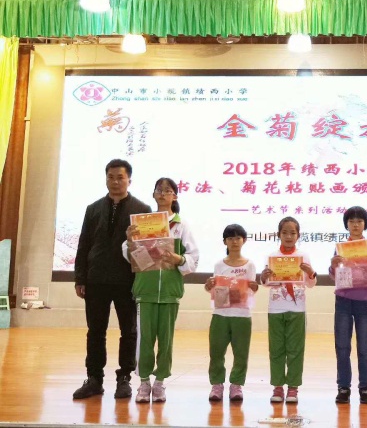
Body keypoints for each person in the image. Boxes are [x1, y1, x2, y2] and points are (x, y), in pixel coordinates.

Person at [73, 159, 152, 399]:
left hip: (127, 280)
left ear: (129, 180)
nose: (115, 182)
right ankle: (94, 379)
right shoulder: (93, 208)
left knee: (129, 331)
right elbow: (84, 244)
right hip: (96, 278)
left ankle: (124, 378)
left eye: (120, 177)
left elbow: (148, 249)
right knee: (95, 331)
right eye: (111, 177)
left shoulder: (143, 209)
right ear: (106, 178)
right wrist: (80, 278)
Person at [123, 177, 199, 403]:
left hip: (169, 292)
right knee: (144, 339)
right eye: (159, 190)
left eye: (168, 191)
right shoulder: (143, 223)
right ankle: (144, 382)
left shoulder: (181, 226)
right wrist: (130, 241)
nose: (163, 194)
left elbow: (193, 257)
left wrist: (179, 259)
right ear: (154, 194)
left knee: (166, 341)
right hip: (145, 290)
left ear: (175, 196)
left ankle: (160, 383)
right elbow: (129, 256)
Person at [260, 217, 317, 404]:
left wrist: (310, 272)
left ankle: (293, 387)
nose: (289, 236)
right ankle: (277, 386)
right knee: (276, 349)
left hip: (297, 309)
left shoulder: (303, 256)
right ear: (279, 234)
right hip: (275, 308)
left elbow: (311, 284)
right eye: (285, 232)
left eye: (292, 233)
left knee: (295, 349)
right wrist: (264, 276)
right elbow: (267, 283)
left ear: (298, 235)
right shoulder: (272, 256)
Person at [329, 206, 367, 404]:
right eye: (351, 221)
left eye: (359, 221)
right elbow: (335, 276)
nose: (355, 224)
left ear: (365, 224)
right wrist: (333, 266)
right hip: (343, 299)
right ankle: (343, 387)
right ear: (346, 224)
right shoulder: (340, 248)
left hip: (364, 300)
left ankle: (365, 387)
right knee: (342, 346)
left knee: (364, 347)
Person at [204, 224, 258, 402]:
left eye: (238, 238)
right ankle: (217, 384)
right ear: (224, 242)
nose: (234, 242)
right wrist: (209, 286)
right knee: (216, 351)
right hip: (220, 314)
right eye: (230, 238)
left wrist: (254, 287)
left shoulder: (250, 265)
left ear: (244, 240)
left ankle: (236, 385)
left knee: (241, 353)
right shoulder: (219, 265)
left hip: (242, 315)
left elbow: (251, 289)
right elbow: (215, 288)